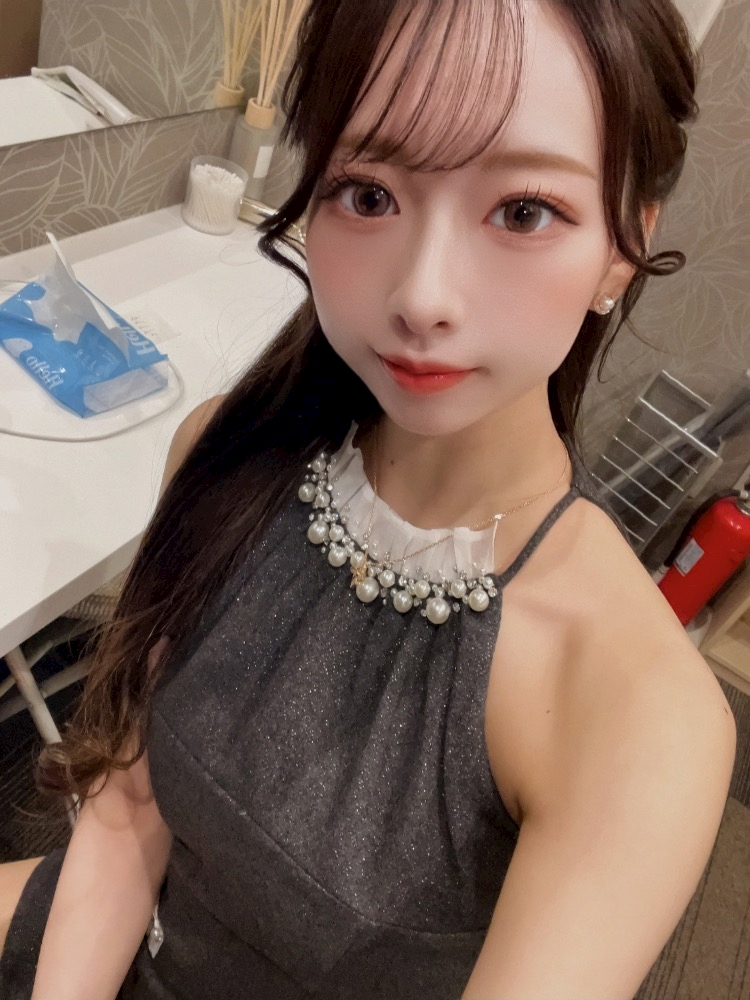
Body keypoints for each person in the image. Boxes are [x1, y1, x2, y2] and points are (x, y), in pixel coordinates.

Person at [0, 1, 737, 998]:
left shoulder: (640, 715)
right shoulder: (225, 455)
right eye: (368, 193)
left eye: (524, 211)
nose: (422, 297)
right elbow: (129, 811)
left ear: (623, 247)